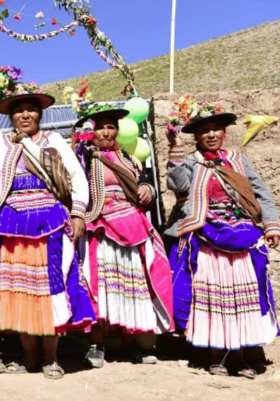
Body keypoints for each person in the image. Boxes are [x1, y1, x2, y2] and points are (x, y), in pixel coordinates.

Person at [0, 68, 95, 379]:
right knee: (17, 290)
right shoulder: (1, 140)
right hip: (9, 224)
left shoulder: (54, 141)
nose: (25, 115)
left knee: (50, 288)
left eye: (31, 109)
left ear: (40, 114)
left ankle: (51, 358)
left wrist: (78, 213)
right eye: (18, 110)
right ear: (10, 116)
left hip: (50, 222)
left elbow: (76, 177)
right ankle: (29, 357)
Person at [166, 102, 280, 379]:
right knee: (212, 297)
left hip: (241, 234)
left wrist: (271, 225)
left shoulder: (238, 161)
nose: (211, 134)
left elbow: (259, 192)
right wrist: (176, 148)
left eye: (216, 129)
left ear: (224, 132)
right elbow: (178, 185)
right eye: (204, 131)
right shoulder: (191, 161)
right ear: (196, 136)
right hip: (206, 235)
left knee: (241, 297)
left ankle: (239, 358)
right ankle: (216, 357)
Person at [71, 100, 173, 369]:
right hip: (99, 225)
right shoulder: (82, 158)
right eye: (100, 127)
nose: (106, 132)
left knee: (132, 284)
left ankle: (131, 343)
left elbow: (142, 183)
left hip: (131, 225)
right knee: (99, 284)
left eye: (111, 127)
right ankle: (97, 345)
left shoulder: (129, 159)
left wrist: (148, 189)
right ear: (90, 130)